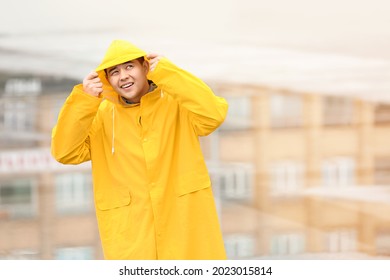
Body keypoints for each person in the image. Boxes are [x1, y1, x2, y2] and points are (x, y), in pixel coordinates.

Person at [51, 40, 228, 260]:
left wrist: (169, 73)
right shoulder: (101, 116)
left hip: (184, 226)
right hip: (132, 237)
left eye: (129, 67)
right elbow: (65, 152)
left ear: (145, 68)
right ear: (107, 80)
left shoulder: (176, 103)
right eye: (114, 72)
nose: (123, 76)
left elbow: (214, 114)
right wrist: (83, 101)